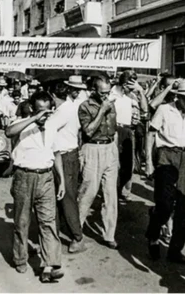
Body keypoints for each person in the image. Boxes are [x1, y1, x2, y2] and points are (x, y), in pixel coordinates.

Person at [5, 91, 65, 282]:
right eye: (41, 111)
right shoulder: (21, 124)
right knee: (22, 222)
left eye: (48, 112)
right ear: (32, 108)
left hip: (46, 177)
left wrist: (61, 179)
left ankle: (50, 265)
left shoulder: (53, 125)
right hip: (24, 177)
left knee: (48, 221)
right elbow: (8, 132)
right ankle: (20, 259)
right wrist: (33, 119)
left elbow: (56, 153)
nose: (44, 116)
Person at [145, 80, 185, 264]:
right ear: (178, 96)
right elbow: (151, 134)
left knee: (184, 207)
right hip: (166, 156)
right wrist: (148, 162)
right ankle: (153, 236)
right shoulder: (164, 109)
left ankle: (175, 250)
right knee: (165, 204)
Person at [77, 76, 120, 249]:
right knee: (88, 192)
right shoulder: (85, 107)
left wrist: (115, 155)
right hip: (92, 149)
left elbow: (113, 129)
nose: (106, 96)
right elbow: (88, 131)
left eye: (108, 92)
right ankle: (76, 231)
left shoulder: (111, 103)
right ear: (93, 90)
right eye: (102, 93)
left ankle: (109, 234)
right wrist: (102, 110)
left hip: (109, 148)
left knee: (111, 196)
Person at [47, 76, 87, 254]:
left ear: (53, 95)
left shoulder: (63, 111)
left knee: (67, 197)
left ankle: (77, 237)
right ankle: (57, 232)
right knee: (60, 195)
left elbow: (47, 129)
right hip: (66, 155)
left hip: (64, 156)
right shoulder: (70, 107)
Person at [111, 70, 148, 201]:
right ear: (125, 83)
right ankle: (112, 191)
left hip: (128, 130)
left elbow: (145, 109)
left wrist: (140, 91)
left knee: (128, 164)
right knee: (114, 163)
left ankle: (123, 190)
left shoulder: (132, 95)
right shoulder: (112, 93)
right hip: (115, 129)